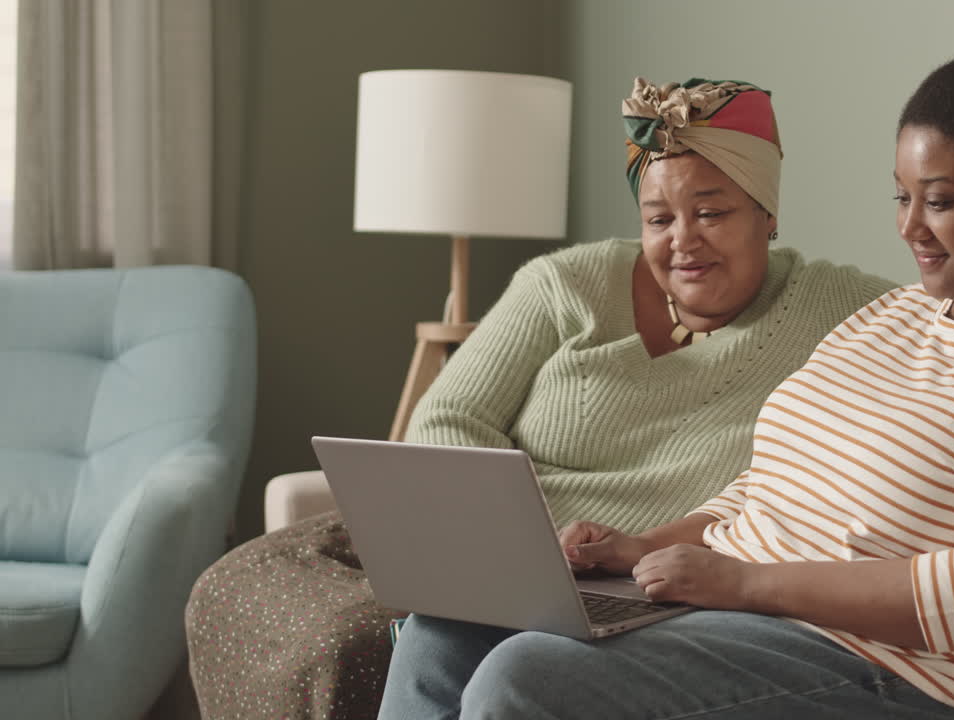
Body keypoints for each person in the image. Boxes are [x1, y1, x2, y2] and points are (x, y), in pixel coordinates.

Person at [378, 47, 954, 720]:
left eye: (940, 202)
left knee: (528, 680)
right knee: (448, 626)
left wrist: (748, 585)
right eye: (903, 197)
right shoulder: (897, 318)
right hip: (745, 623)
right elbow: (766, 493)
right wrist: (648, 547)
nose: (909, 229)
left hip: (910, 682)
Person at [184, 77, 896, 719]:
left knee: (357, 640)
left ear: (768, 214)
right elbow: (447, 417)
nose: (683, 242)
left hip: (642, 581)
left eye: (712, 213)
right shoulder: (567, 284)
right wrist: (519, 539)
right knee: (237, 584)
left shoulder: (845, 308)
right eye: (658, 218)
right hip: (488, 550)